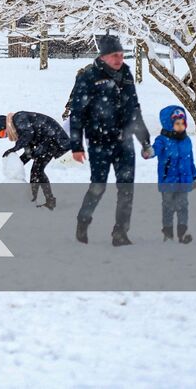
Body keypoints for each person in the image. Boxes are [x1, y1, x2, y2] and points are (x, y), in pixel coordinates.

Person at [68, 35, 153, 246]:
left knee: (126, 189)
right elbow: (77, 113)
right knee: (98, 186)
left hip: (124, 142)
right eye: (115, 55)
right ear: (103, 56)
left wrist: (144, 140)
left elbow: (134, 108)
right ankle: (83, 220)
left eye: (122, 55)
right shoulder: (88, 76)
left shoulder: (126, 74)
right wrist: (76, 146)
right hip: (99, 142)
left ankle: (120, 233)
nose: (119, 59)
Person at [0, 111, 71, 209]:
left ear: (6, 125)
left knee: (37, 171)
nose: (6, 136)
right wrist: (16, 164)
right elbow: (28, 153)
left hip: (54, 140)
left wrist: (14, 149)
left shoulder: (18, 118)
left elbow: (28, 134)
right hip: (48, 142)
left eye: (3, 132)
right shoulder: (20, 131)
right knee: (37, 171)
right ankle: (43, 200)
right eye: (1, 136)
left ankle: (33, 200)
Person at [154, 105, 196, 243]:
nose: (180, 126)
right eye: (177, 124)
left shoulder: (186, 141)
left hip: (184, 179)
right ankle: (167, 232)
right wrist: (148, 152)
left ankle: (182, 232)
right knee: (168, 206)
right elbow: (154, 150)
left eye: (182, 123)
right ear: (169, 124)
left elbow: (190, 160)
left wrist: (194, 176)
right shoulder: (162, 140)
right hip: (168, 180)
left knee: (183, 205)